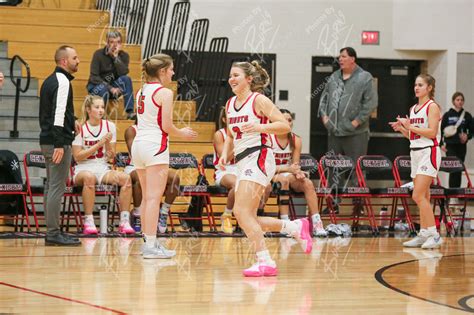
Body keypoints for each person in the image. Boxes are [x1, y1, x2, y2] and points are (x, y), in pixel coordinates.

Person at [218, 61, 312, 277]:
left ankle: (265, 261)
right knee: (246, 217)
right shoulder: (231, 103)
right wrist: (224, 154)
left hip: (259, 155)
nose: (231, 79)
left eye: (236, 75)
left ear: (249, 79)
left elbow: (284, 125)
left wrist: (261, 127)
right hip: (242, 161)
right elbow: (231, 135)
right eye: (230, 75)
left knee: (241, 212)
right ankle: (294, 228)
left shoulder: (258, 100)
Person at [132, 53, 197, 259]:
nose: (173, 72)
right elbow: (166, 126)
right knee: (153, 198)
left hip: (139, 145)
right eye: (170, 69)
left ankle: (148, 242)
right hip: (155, 145)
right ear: (162, 71)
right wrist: (182, 133)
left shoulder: (140, 91)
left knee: (146, 198)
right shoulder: (165, 93)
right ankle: (150, 246)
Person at [318, 47, 378, 212]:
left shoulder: (364, 77)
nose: (340, 59)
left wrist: (357, 121)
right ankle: (333, 204)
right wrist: (324, 116)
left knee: (356, 169)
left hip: (356, 133)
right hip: (334, 132)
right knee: (333, 168)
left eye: (344, 56)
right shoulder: (333, 77)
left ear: (353, 59)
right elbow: (323, 99)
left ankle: (358, 205)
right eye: (339, 57)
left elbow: (371, 103)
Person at [389, 74, 443, 249]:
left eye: (420, 85)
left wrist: (410, 125)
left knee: (417, 195)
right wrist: (403, 129)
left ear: (429, 88)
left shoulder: (432, 107)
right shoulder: (413, 108)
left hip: (429, 152)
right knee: (424, 196)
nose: (416, 87)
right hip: (416, 152)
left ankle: (434, 235)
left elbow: (432, 133)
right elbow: (414, 137)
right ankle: (424, 233)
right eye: (415, 84)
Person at [72, 95, 134, 234]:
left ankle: (124, 221)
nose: (101, 110)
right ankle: (88, 221)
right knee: (89, 178)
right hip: (83, 168)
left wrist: (107, 145)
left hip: (102, 167)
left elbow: (110, 157)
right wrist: (98, 144)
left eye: (102, 107)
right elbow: (77, 156)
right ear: (88, 109)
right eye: (97, 107)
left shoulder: (109, 126)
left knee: (126, 179)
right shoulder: (80, 127)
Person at [39, 45, 81, 246]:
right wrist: (59, 144)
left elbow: (57, 111)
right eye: (75, 58)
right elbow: (57, 115)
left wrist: (73, 119)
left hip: (46, 140)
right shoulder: (63, 82)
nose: (78, 61)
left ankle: (51, 230)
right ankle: (53, 233)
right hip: (57, 142)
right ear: (64, 61)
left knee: (50, 186)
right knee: (57, 187)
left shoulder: (49, 81)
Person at [270, 109, 327, 237]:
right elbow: (266, 167)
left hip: (287, 173)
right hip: (270, 174)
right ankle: (285, 224)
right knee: (283, 180)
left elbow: (295, 164)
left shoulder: (296, 139)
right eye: (284, 120)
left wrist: (298, 172)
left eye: (290, 120)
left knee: (307, 183)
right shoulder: (268, 138)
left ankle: (317, 223)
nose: (288, 123)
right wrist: (289, 170)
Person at [124, 120, 181, 233]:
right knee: (141, 178)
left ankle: (163, 213)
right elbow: (135, 154)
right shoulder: (132, 130)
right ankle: (137, 213)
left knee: (174, 177)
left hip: (155, 166)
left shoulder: (160, 130)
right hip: (136, 166)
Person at [87, 30, 135, 119]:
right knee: (103, 88)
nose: (115, 45)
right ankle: (101, 116)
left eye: (118, 42)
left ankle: (130, 112)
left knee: (126, 79)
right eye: (112, 42)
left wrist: (116, 58)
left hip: (114, 86)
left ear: (121, 44)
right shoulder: (98, 54)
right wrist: (110, 88)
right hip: (96, 87)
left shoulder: (124, 56)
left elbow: (123, 72)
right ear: (107, 43)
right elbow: (94, 77)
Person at [212, 107, 238, 234]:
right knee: (237, 184)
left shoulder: (242, 134)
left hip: (241, 168)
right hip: (224, 170)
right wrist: (238, 146)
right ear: (224, 119)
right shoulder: (219, 134)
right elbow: (225, 159)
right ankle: (227, 215)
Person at [440, 92, 472, 190]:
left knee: (459, 169)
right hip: (450, 146)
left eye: (462, 100)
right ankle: (451, 195)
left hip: (461, 146)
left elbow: (472, 130)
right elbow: (440, 130)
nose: (460, 102)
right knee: (453, 169)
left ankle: (456, 194)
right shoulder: (447, 115)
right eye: (458, 100)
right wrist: (441, 144)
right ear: (453, 101)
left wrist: (468, 136)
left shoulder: (467, 115)